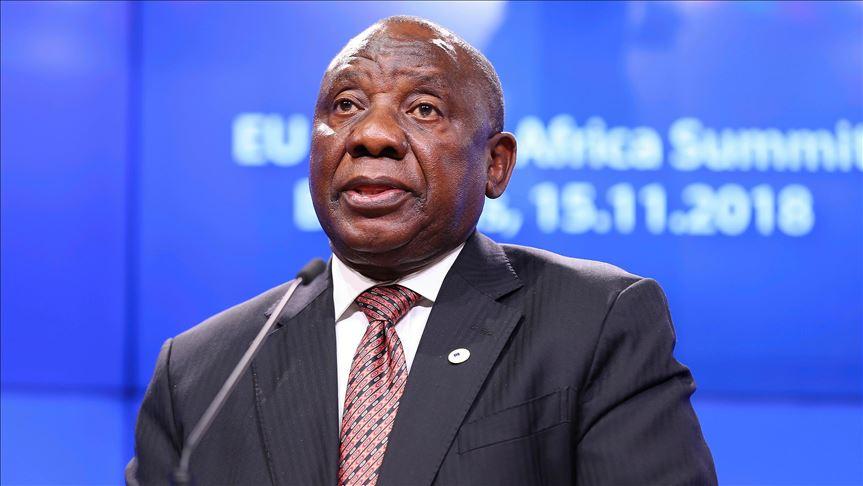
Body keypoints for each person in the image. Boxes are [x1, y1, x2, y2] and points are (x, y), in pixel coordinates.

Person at [127, 16, 717, 485]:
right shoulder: (201, 373)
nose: (371, 135)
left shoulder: (595, 324)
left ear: (496, 164)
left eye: (423, 109)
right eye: (346, 105)